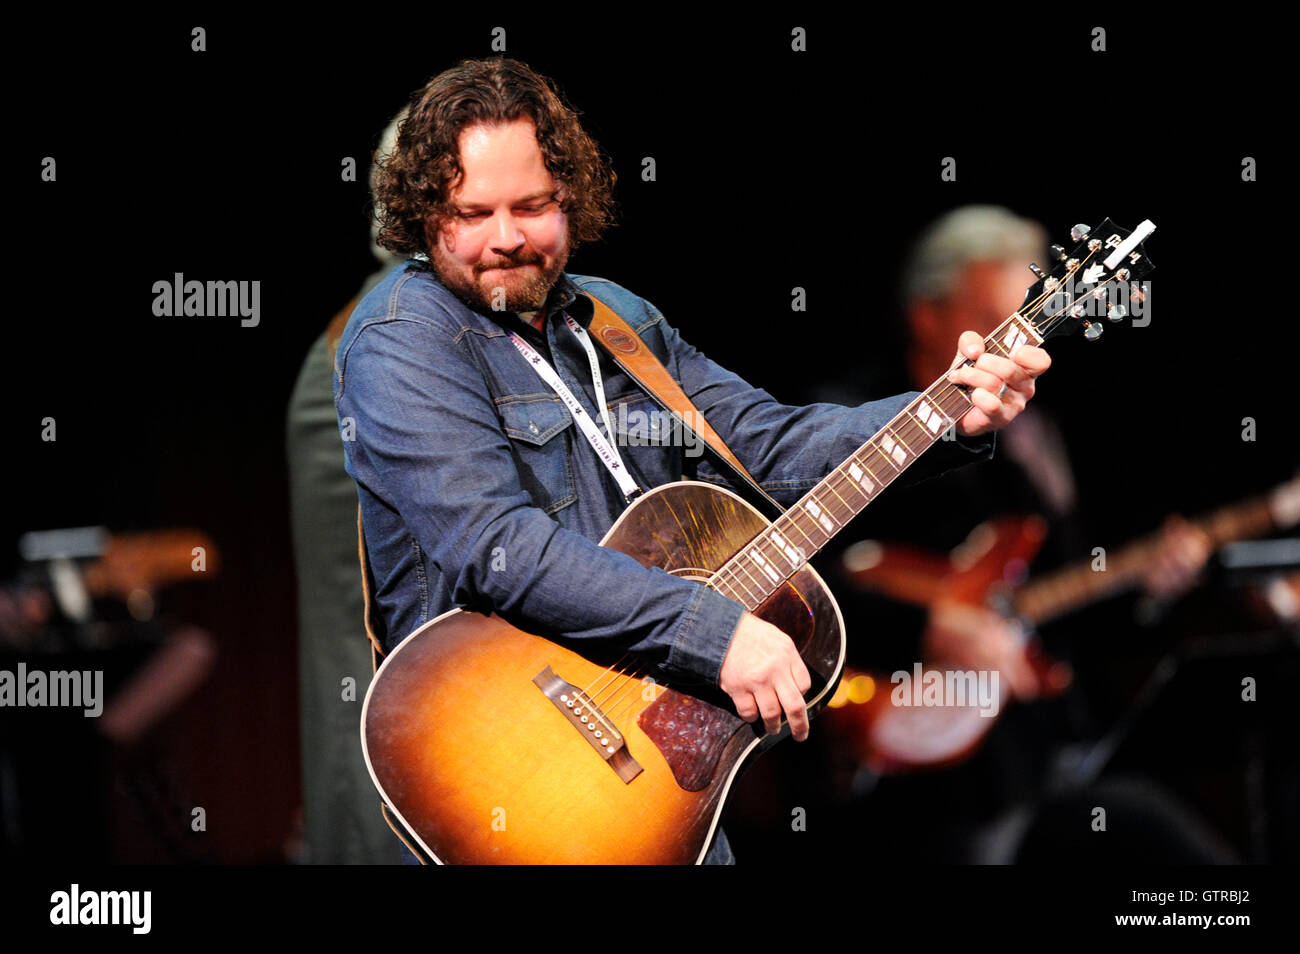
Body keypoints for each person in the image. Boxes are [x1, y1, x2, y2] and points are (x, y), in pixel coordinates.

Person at [333, 59, 1050, 864]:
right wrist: (712, 633)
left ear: (569, 193)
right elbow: (493, 544)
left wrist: (948, 411)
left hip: (651, 784)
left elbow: (771, 448)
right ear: (425, 212)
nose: (507, 237)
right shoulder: (401, 338)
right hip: (511, 770)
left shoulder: (619, 318)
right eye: (475, 213)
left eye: (532, 205)